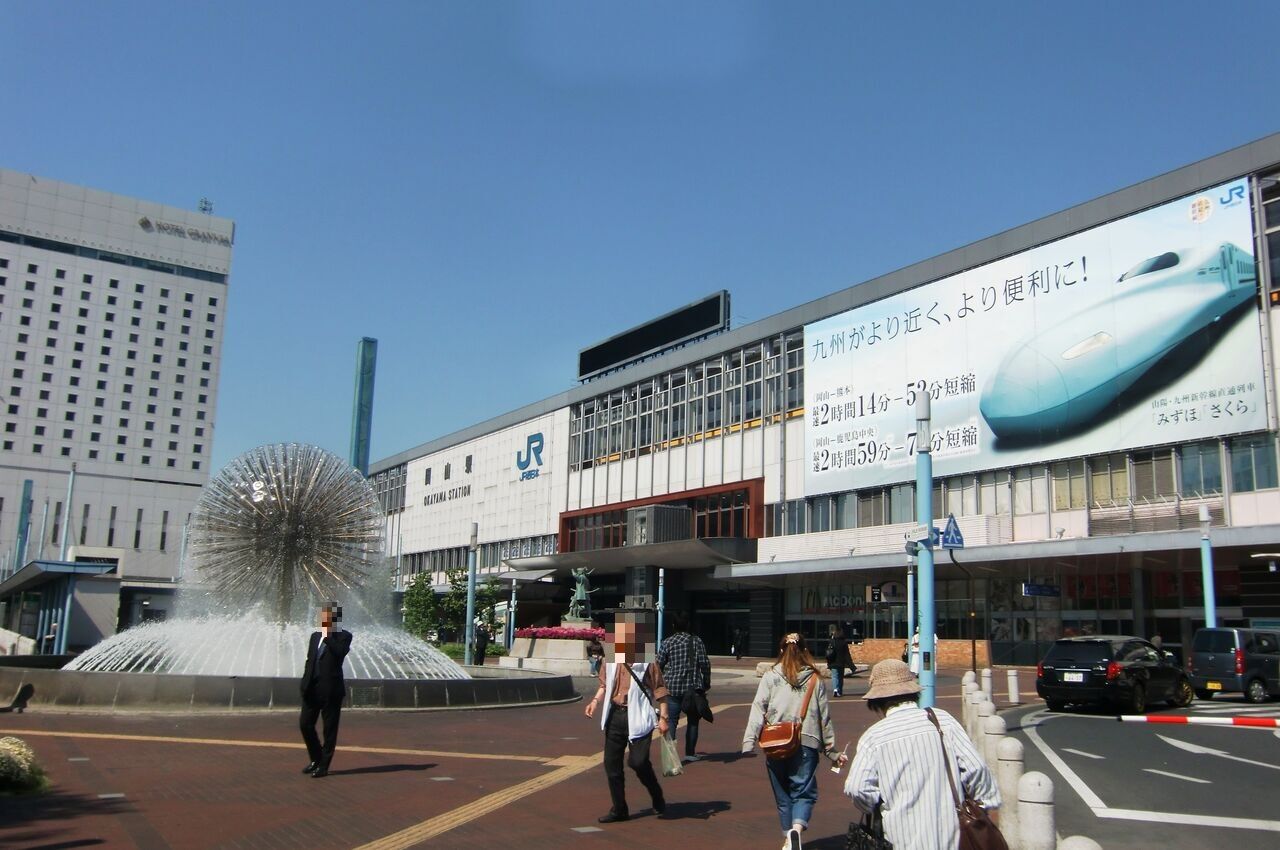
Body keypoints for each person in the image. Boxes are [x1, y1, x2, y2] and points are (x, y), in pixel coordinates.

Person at [844, 659, 1000, 849]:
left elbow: (856, 788)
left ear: (876, 702)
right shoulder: (942, 720)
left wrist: (873, 804)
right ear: (914, 692)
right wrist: (986, 805)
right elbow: (976, 768)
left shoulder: (873, 738)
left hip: (901, 838)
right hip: (952, 836)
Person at [742, 633, 847, 850]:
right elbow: (823, 717)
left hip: (775, 742)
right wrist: (831, 751)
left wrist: (749, 740)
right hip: (806, 741)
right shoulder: (815, 679)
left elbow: (757, 707)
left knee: (783, 794)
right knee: (803, 791)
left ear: (781, 651)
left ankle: (788, 839)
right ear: (805, 651)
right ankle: (795, 832)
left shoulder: (771, 676)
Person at [584, 611, 669, 823]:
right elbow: (604, 684)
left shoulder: (647, 662)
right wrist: (594, 701)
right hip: (616, 716)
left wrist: (664, 717)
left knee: (638, 762)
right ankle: (619, 809)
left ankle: (655, 792)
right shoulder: (611, 660)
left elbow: (659, 690)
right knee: (611, 765)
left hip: (639, 716)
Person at [300, 603, 352, 779]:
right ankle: (316, 758)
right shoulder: (315, 637)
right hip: (312, 688)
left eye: (328, 617)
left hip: (331, 690)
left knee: (329, 730)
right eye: (322, 617)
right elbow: (310, 660)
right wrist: (304, 682)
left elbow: (340, 654)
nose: (323, 620)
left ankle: (323, 766)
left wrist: (328, 637)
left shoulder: (344, 636)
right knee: (305, 724)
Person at [656, 611, 711, 762]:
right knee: (693, 721)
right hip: (692, 689)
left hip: (672, 688)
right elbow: (705, 663)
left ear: (673, 626)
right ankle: (690, 753)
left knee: (672, 721)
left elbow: (658, 665)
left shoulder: (667, 642)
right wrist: (706, 681)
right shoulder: (696, 641)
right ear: (688, 625)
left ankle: (670, 755)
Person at [826, 625, 854, 697]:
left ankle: (835, 689)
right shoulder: (843, 643)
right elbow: (847, 655)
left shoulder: (832, 641)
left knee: (835, 676)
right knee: (840, 677)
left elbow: (828, 652)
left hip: (833, 662)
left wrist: (828, 662)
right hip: (841, 663)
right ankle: (839, 691)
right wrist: (851, 665)